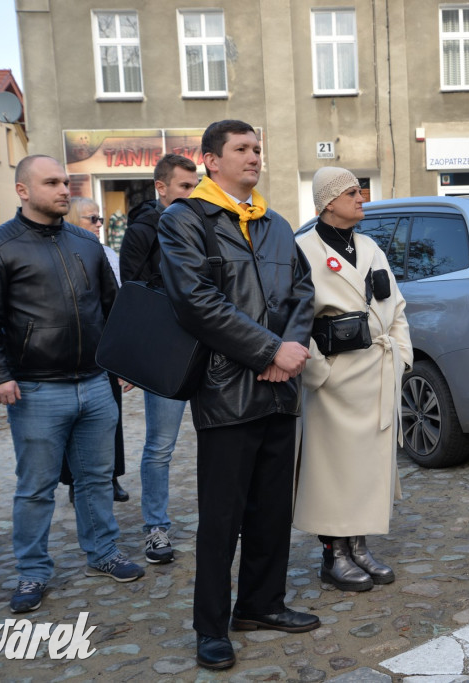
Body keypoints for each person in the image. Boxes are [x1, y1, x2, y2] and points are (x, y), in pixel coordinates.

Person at [157, 120, 317, 671]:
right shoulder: (185, 220)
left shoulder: (274, 223)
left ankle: (261, 604)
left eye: (257, 149)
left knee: (273, 508)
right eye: (242, 150)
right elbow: (195, 302)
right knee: (221, 517)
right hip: (227, 388)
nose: (254, 158)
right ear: (210, 160)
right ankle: (210, 627)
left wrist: (290, 350)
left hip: (281, 389)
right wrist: (270, 352)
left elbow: (302, 293)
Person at [0, 155, 145, 615]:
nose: (64, 189)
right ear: (23, 191)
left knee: (96, 479)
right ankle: (32, 570)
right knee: (37, 486)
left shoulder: (86, 243)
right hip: (36, 389)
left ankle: (103, 552)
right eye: (51, 183)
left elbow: (113, 308)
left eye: (66, 182)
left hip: (94, 383)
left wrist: (122, 362)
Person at [293, 167, 413, 592]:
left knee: (367, 468)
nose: (361, 197)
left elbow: (396, 307)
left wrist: (400, 355)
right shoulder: (302, 249)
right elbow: (294, 319)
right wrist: (318, 372)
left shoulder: (370, 247)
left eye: (360, 190)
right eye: (350, 192)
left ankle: (359, 546)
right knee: (333, 471)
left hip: (376, 372)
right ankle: (334, 554)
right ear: (328, 202)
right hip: (333, 379)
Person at [119, 153, 199, 564]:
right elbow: (134, 295)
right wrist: (134, 358)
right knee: (161, 446)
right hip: (167, 352)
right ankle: (156, 528)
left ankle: (226, 518)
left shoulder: (207, 224)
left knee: (221, 438)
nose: (192, 193)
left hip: (210, 348)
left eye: (195, 186)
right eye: (184, 186)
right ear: (161, 188)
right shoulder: (142, 232)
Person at [61, 196, 129, 504]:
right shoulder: (61, 252)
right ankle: (76, 481)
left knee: (111, 418)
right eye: (93, 219)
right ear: (74, 221)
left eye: (100, 219)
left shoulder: (108, 253)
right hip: (71, 353)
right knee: (71, 425)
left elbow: (119, 302)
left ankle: (111, 477)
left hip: (106, 350)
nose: (100, 224)